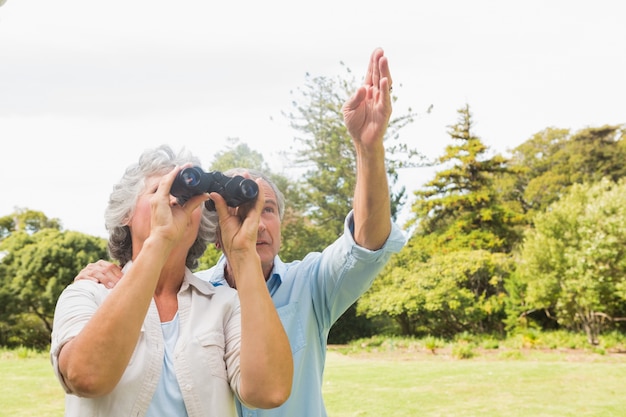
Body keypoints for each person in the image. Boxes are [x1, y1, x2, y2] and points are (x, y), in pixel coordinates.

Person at [75, 47, 407, 417]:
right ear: (214, 229)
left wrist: (368, 148)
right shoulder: (197, 296)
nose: (259, 225)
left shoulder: (310, 284)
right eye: (242, 212)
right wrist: (114, 274)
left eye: (269, 210)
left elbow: (367, 241)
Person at [50, 145, 293, 417]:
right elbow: (86, 378)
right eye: (160, 191)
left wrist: (243, 253)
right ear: (125, 214)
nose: (176, 201)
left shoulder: (223, 305)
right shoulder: (88, 294)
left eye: (188, 197)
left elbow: (270, 391)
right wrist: (160, 241)